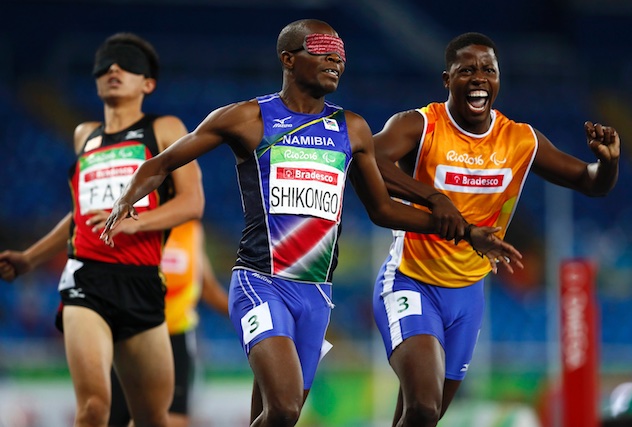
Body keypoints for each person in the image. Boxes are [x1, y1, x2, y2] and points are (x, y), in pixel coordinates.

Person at [99, 20, 523, 427]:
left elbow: (383, 211)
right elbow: (162, 162)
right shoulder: (248, 118)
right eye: (322, 50)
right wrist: (127, 199)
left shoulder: (351, 128)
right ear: (288, 58)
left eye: (341, 53)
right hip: (260, 281)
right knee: (282, 408)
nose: (336, 60)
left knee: (280, 414)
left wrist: (465, 230)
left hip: (316, 294)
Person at [371, 31, 620, 427]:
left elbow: (590, 182)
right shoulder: (419, 125)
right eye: (466, 70)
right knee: (423, 404)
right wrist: (433, 198)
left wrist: (606, 163)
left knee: (423, 416)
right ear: (446, 79)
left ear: (499, 79)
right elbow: (367, 158)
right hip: (410, 282)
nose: (479, 78)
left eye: (489, 69)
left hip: (469, 296)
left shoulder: (519, 140)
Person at [0, 32, 204, 427]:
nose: (113, 68)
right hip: (85, 277)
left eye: (126, 63)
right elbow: (79, 215)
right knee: (94, 409)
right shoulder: (84, 136)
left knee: (153, 419)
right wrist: (29, 258)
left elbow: (192, 202)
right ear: (95, 79)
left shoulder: (164, 129)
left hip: (142, 282)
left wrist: (136, 222)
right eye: (106, 63)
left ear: (148, 83)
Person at [109, 219, 229, 427]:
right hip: (132, 334)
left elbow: (207, 287)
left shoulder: (192, 230)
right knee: (117, 417)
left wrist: (246, 314)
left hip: (176, 335)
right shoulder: (139, 221)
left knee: (173, 419)